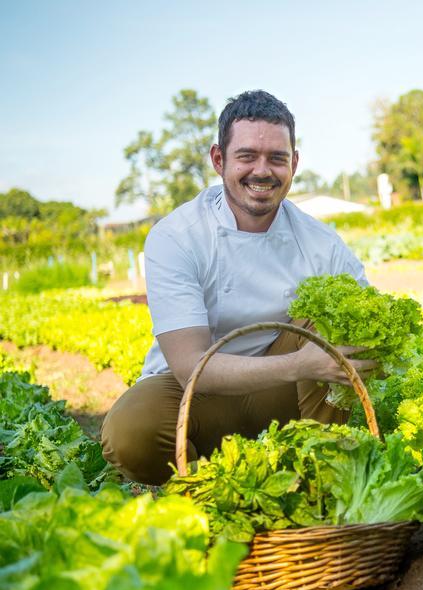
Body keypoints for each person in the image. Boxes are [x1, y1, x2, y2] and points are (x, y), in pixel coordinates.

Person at [101, 90, 375, 485]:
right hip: (197, 397)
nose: (262, 171)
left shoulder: (321, 243)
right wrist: (300, 365)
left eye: (277, 158)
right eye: (247, 156)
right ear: (219, 160)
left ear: (294, 163)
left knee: (338, 321)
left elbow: (365, 331)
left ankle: (324, 474)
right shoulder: (178, 236)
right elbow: (190, 365)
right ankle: (209, 488)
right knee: (131, 431)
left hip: (286, 399)